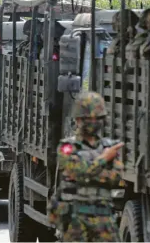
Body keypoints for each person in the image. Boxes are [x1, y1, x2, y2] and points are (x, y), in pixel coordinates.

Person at [47, 91, 124, 242]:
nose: (93, 122)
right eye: (89, 118)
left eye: (98, 118)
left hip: (104, 219)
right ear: (78, 119)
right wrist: (102, 160)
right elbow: (76, 172)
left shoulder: (110, 146)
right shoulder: (68, 146)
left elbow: (115, 178)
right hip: (76, 220)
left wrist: (88, 171)